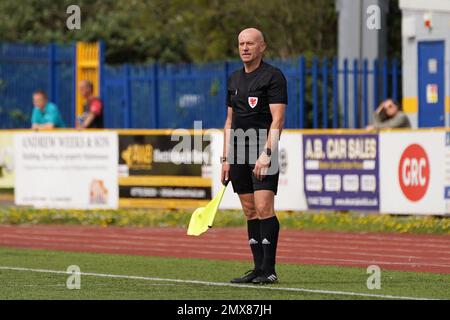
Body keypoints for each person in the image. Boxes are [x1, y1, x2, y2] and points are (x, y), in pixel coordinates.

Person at [221, 28, 287, 285]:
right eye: (241, 43)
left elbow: (278, 119)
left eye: (250, 43)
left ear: (262, 46)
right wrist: (225, 158)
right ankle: (257, 269)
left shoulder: (273, 76)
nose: (245, 48)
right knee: (249, 211)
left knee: (263, 207)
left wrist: (266, 154)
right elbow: (229, 121)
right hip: (237, 149)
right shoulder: (234, 78)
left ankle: (269, 270)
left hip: (261, 148)